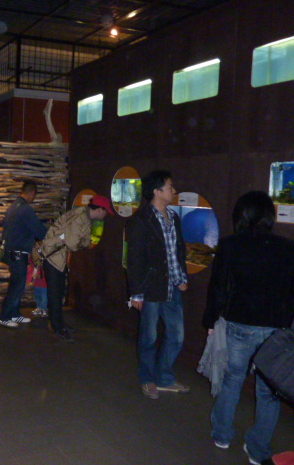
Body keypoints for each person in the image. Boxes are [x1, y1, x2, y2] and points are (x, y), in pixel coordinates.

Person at [202, 191, 294, 464]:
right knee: (268, 391)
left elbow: (218, 288)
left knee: (233, 380)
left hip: (240, 324)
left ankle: (222, 434)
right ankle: (257, 450)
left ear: (241, 215)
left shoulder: (230, 245)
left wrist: (210, 320)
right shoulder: (287, 247)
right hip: (276, 329)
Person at [126, 170, 189, 399]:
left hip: (173, 286)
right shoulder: (141, 219)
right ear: (157, 191)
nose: (174, 191)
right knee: (149, 337)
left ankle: (164, 377)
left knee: (177, 335)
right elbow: (135, 259)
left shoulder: (174, 217)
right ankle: (148, 379)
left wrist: (182, 276)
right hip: (150, 287)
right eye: (170, 187)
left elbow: (178, 251)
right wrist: (136, 293)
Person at [40, 195, 114, 342]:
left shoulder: (81, 213)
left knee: (57, 292)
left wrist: (82, 241)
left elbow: (79, 239)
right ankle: (57, 327)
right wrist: (83, 242)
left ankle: (58, 323)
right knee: (56, 294)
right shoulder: (81, 217)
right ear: (100, 210)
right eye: (106, 211)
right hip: (54, 258)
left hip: (56, 256)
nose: (106, 215)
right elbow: (73, 244)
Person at [0, 181, 47, 328]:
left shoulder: (14, 206)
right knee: (17, 284)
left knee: (18, 284)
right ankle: (5, 316)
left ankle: (14, 313)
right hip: (17, 252)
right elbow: (39, 230)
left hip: (12, 251)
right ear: (32, 193)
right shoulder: (25, 209)